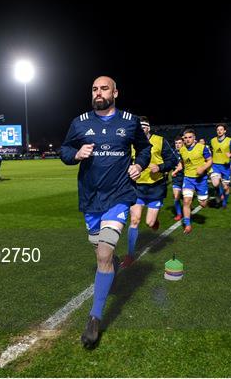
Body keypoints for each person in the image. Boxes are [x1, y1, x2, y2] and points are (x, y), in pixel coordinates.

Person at [60, 76, 151, 348]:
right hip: (91, 199)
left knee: (103, 253)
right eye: (94, 89)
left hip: (119, 196)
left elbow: (144, 148)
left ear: (115, 92)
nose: (98, 93)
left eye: (104, 88)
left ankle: (94, 319)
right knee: (101, 252)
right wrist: (75, 155)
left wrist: (139, 164)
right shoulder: (80, 122)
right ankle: (110, 264)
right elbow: (65, 150)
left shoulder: (129, 121)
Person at [121, 118, 176, 268]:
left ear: (149, 128)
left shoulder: (159, 141)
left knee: (150, 223)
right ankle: (130, 255)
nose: (142, 129)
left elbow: (173, 160)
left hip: (155, 187)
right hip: (136, 188)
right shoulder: (131, 142)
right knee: (134, 220)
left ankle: (155, 221)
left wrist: (160, 167)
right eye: (139, 127)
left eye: (144, 126)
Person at [179, 128, 212, 234]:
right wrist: (177, 169)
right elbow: (183, 162)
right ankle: (187, 224)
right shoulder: (182, 149)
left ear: (194, 138)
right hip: (188, 178)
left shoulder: (202, 148)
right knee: (186, 201)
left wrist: (203, 168)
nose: (187, 139)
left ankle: (202, 199)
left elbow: (210, 160)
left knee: (203, 204)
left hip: (201, 180)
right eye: (185, 138)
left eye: (190, 137)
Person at [209, 124, 231, 209]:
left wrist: (230, 154)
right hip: (215, 165)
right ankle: (219, 194)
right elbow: (211, 151)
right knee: (215, 184)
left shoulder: (229, 140)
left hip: (225, 167)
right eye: (218, 129)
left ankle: (224, 203)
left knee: (226, 188)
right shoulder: (212, 140)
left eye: (221, 129)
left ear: (225, 131)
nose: (219, 131)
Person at [171, 136, 185, 221]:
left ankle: (187, 208)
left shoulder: (186, 152)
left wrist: (175, 171)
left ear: (183, 143)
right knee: (176, 197)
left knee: (185, 196)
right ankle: (179, 214)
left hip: (186, 177)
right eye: (176, 143)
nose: (177, 145)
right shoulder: (173, 153)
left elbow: (181, 166)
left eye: (179, 143)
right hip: (176, 178)